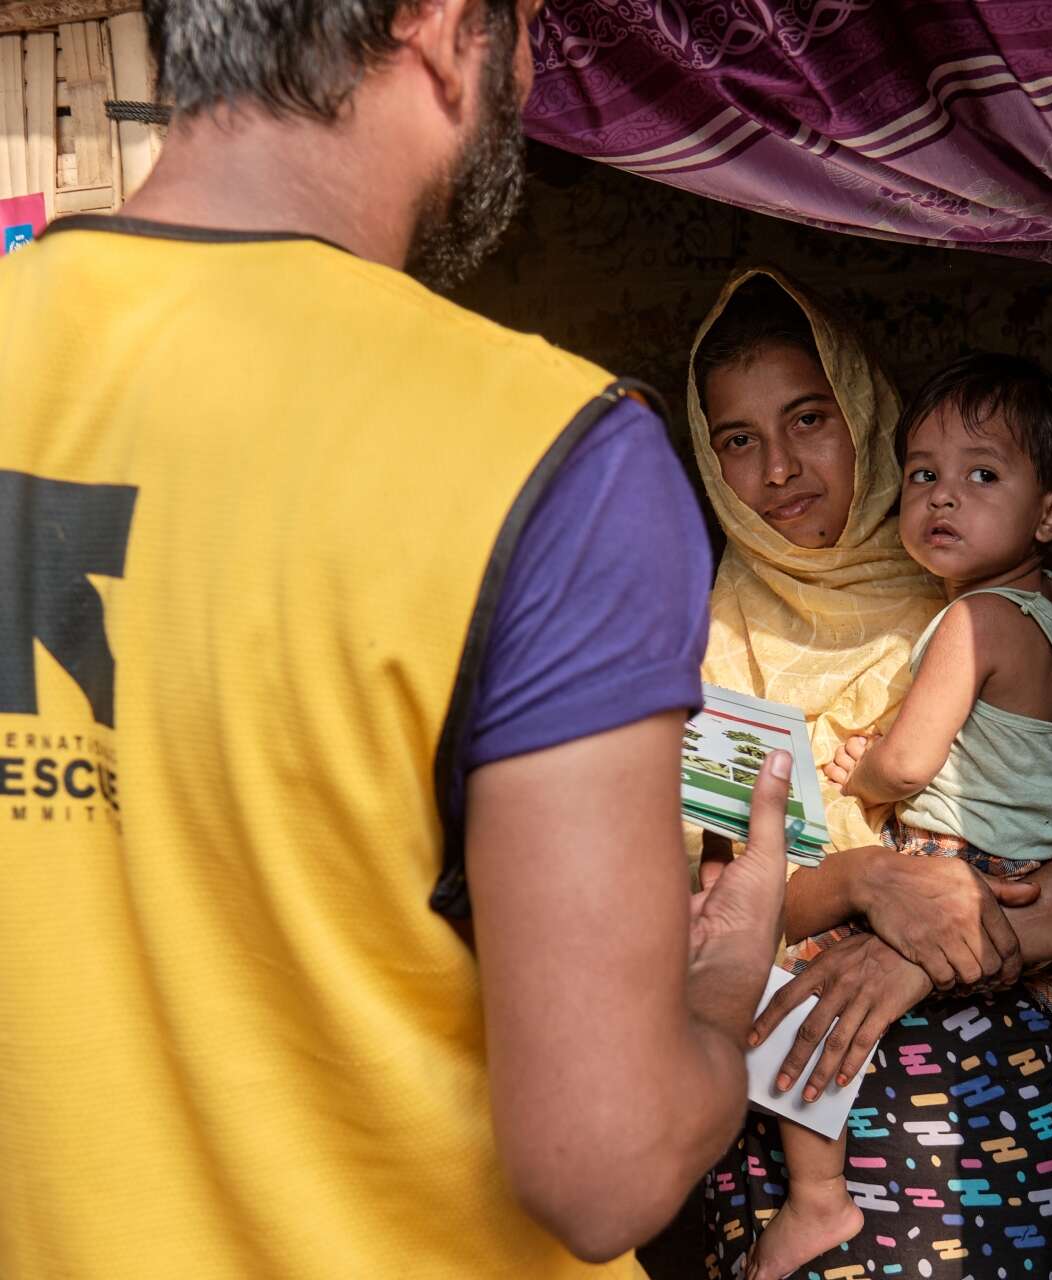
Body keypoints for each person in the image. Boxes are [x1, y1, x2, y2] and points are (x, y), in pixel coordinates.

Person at [0, 4, 792, 1278]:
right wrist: (720, 981)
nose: (530, 68)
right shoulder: (553, 455)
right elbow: (601, 1166)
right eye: (524, 21)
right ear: (432, 22)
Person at [688, 270, 1052, 1279]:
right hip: (806, 1129)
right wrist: (860, 880)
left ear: (865, 415)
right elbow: (710, 912)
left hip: (1001, 1112)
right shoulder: (708, 641)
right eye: (736, 437)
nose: (778, 467)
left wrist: (947, 942)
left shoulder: (981, 592)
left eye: (810, 418)